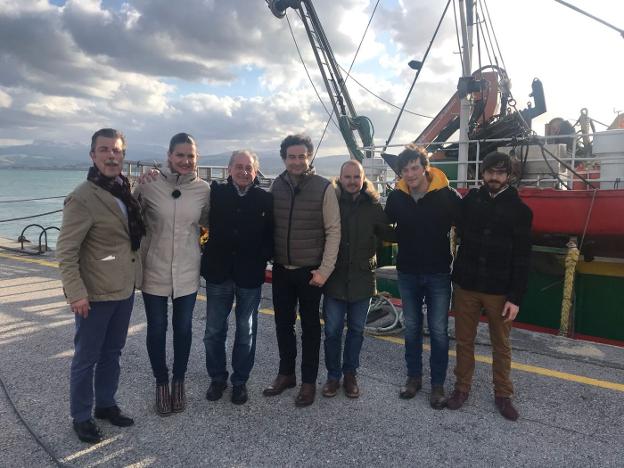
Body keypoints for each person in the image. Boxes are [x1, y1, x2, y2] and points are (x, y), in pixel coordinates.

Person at [57, 128, 145, 444]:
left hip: (123, 289)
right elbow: (66, 251)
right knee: (86, 358)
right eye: (104, 150)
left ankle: (106, 404)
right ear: (93, 155)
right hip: (94, 294)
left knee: (113, 353)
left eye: (117, 151)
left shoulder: (122, 190)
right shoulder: (82, 197)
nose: (111, 156)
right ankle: (81, 416)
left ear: (123, 155)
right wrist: (76, 292)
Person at [446, 151, 533, 421]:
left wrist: (515, 297)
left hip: (499, 290)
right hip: (467, 284)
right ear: (482, 174)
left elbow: (522, 257)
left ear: (508, 176)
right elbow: (450, 217)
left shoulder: (521, 211)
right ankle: (461, 388)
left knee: (501, 344)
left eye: (500, 172)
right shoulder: (470, 201)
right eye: (490, 172)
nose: (494, 177)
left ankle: (503, 394)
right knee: (464, 340)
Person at [133, 132, 210, 416]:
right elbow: (131, 219)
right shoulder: (149, 184)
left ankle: (179, 380)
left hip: (188, 271)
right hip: (155, 268)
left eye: (191, 156)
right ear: (169, 156)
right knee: (156, 329)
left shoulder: (203, 190)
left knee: (184, 329)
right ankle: (161, 381)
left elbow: (211, 223)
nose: (185, 160)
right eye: (180, 155)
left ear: (196, 158)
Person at [263, 134, 340, 407]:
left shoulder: (323, 188)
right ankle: (286, 374)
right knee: (282, 325)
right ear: (284, 158)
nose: (296, 161)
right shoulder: (277, 186)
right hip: (282, 269)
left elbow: (333, 231)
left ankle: (308, 382)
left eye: (301, 156)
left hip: (311, 272)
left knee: (310, 329)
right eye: (291, 157)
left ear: (309, 158)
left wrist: (324, 271)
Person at [385, 144, 461, 409]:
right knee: (412, 329)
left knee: (439, 331)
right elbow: (384, 226)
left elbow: (467, 226)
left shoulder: (447, 195)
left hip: (439, 272)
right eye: (405, 169)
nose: (410, 173)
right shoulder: (397, 198)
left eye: (414, 167)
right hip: (407, 271)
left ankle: (437, 385)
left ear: (424, 167)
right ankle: (414, 378)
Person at [202, 150, 273, 405]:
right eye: (239, 166)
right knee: (213, 330)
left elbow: (271, 236)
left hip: (250, 274)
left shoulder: (265, 199)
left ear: (256, 172)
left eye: (249, 168)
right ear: (229, 169)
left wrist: (261, 256)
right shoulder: (216, 193)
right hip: (218, 272)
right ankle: (217, 378)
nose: (244, 172)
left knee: (246, 330)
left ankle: (240, 381)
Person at [322, 160, 394, 399]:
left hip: (363, 279)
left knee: (356, 330)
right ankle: (333, 376)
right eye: (348, 177)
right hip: (335, 278)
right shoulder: (330, 203)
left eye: (357, 177)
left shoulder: (373, 207)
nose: (352, 181)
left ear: (363, 179)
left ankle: (350, 374)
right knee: (332, 331)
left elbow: (388, 235)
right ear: (340, 178)